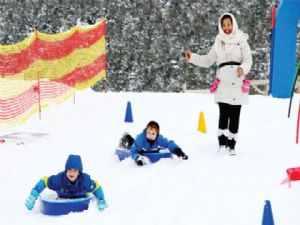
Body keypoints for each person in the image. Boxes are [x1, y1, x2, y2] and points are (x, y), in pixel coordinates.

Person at [185, 13, 252, 155]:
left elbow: (248, 60)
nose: (227, 28)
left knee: (235, 115)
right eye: (224, 25)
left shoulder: (241, 40)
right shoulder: (218, 42)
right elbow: (207, 60)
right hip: (223, 84)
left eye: (229, 24)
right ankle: (222, 144)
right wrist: (192, 58)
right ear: (221, 27)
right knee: (224, 114)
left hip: (237, 84)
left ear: (233, 24)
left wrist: (242, 69)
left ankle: (231, 145)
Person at [25, 154, 108, 211]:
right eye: (69, 170)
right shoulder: (59, 180)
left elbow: (96, 186)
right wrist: (33, 195)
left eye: (75, 170)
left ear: (79, 172)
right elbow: (44, 181)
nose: (72, 173)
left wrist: (101, 200)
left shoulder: (85, 181)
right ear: (66, 171)